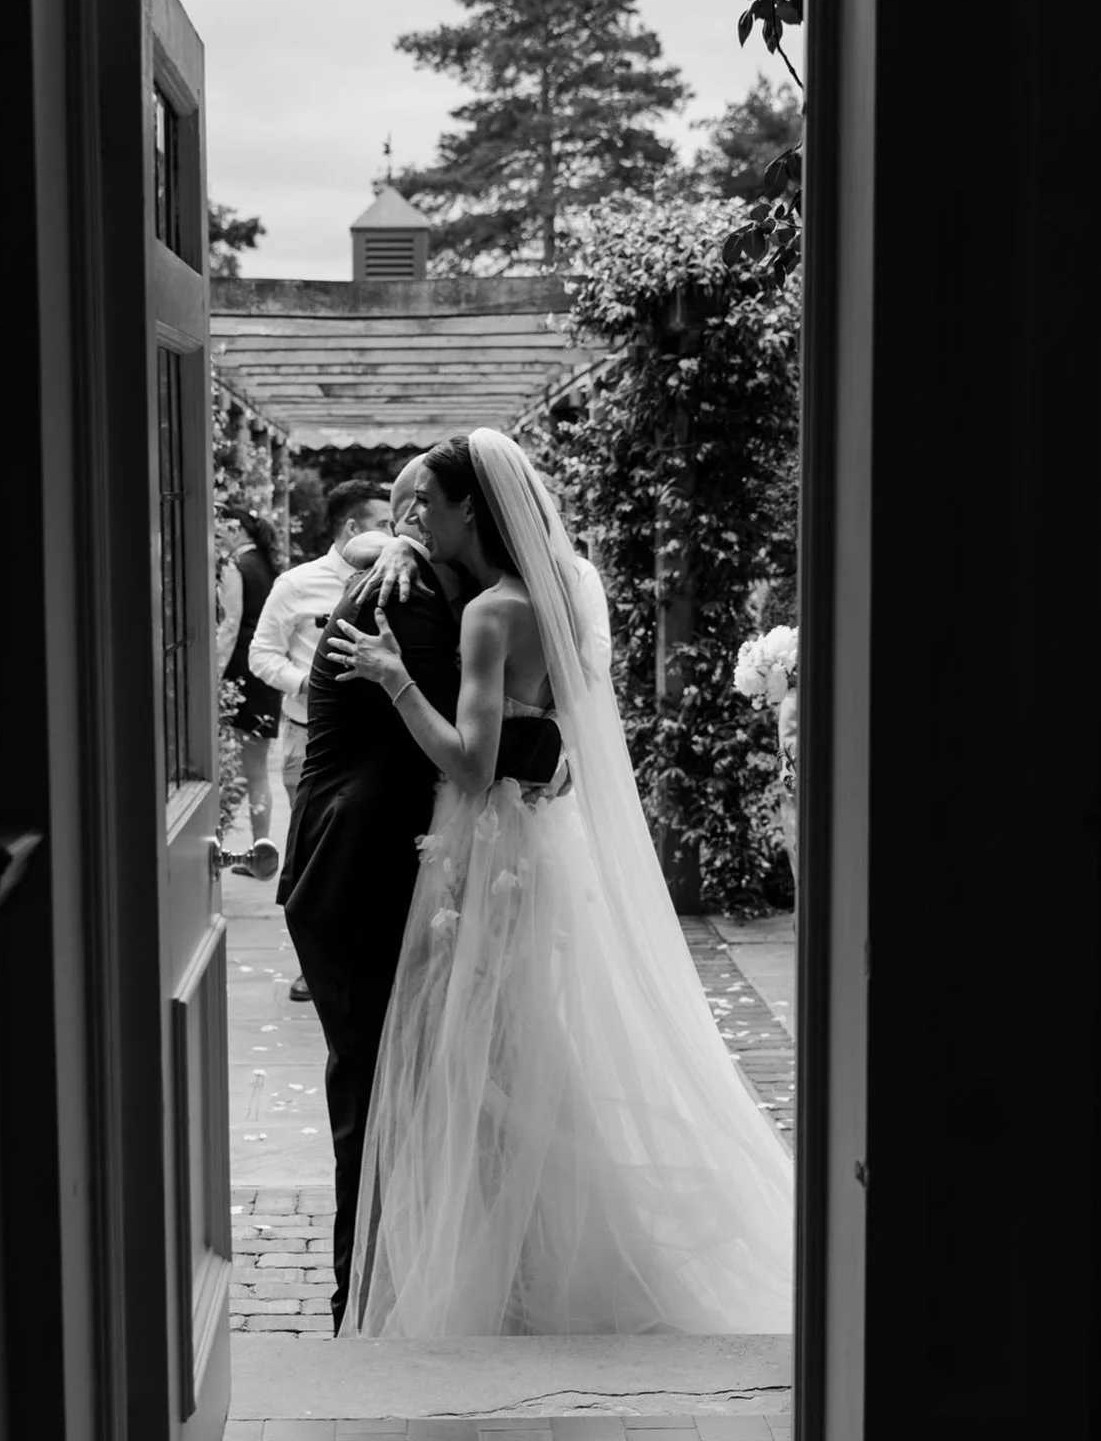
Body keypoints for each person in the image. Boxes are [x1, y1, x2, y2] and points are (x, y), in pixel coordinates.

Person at [324, 430, 794, 1339]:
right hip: (540, 846)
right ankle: (535, 1256)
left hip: (485, 853)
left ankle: (503, 1273)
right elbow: (556, 741)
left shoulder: (489, 616)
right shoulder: (563, 596)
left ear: (473, 510)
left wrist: (390, 679)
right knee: (525, 1050)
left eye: (430, 506)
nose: (415, 518)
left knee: (476, 1057)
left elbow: (471, 762)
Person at [275, 457, 463, 1330]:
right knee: (373, 1084)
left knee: (394, 1078)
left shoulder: (412, 572)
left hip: (361, 864)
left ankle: (385, 1281)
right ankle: (362, 1296)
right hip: (352, 872)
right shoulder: (406, 595)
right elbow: (468, 744)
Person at [249, 477, 392, 997]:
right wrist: (307, 683)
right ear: (352, 528)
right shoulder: (296, 584)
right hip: (309, 736)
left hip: (381, 740)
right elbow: (261, 654)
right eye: (384, 523)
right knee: (313, 852)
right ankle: (315, 964)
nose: (395, 533)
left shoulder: (404, 578)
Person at [217, 507, 284, 851]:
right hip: (264, 671)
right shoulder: (266, 565)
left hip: (242, 671)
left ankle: (259, 850)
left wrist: (214, 676)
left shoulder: (234, 567)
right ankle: (261, 846)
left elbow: (230, 624)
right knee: (256, 767)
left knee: (248, 768)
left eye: (223, 526)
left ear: (238, 530)